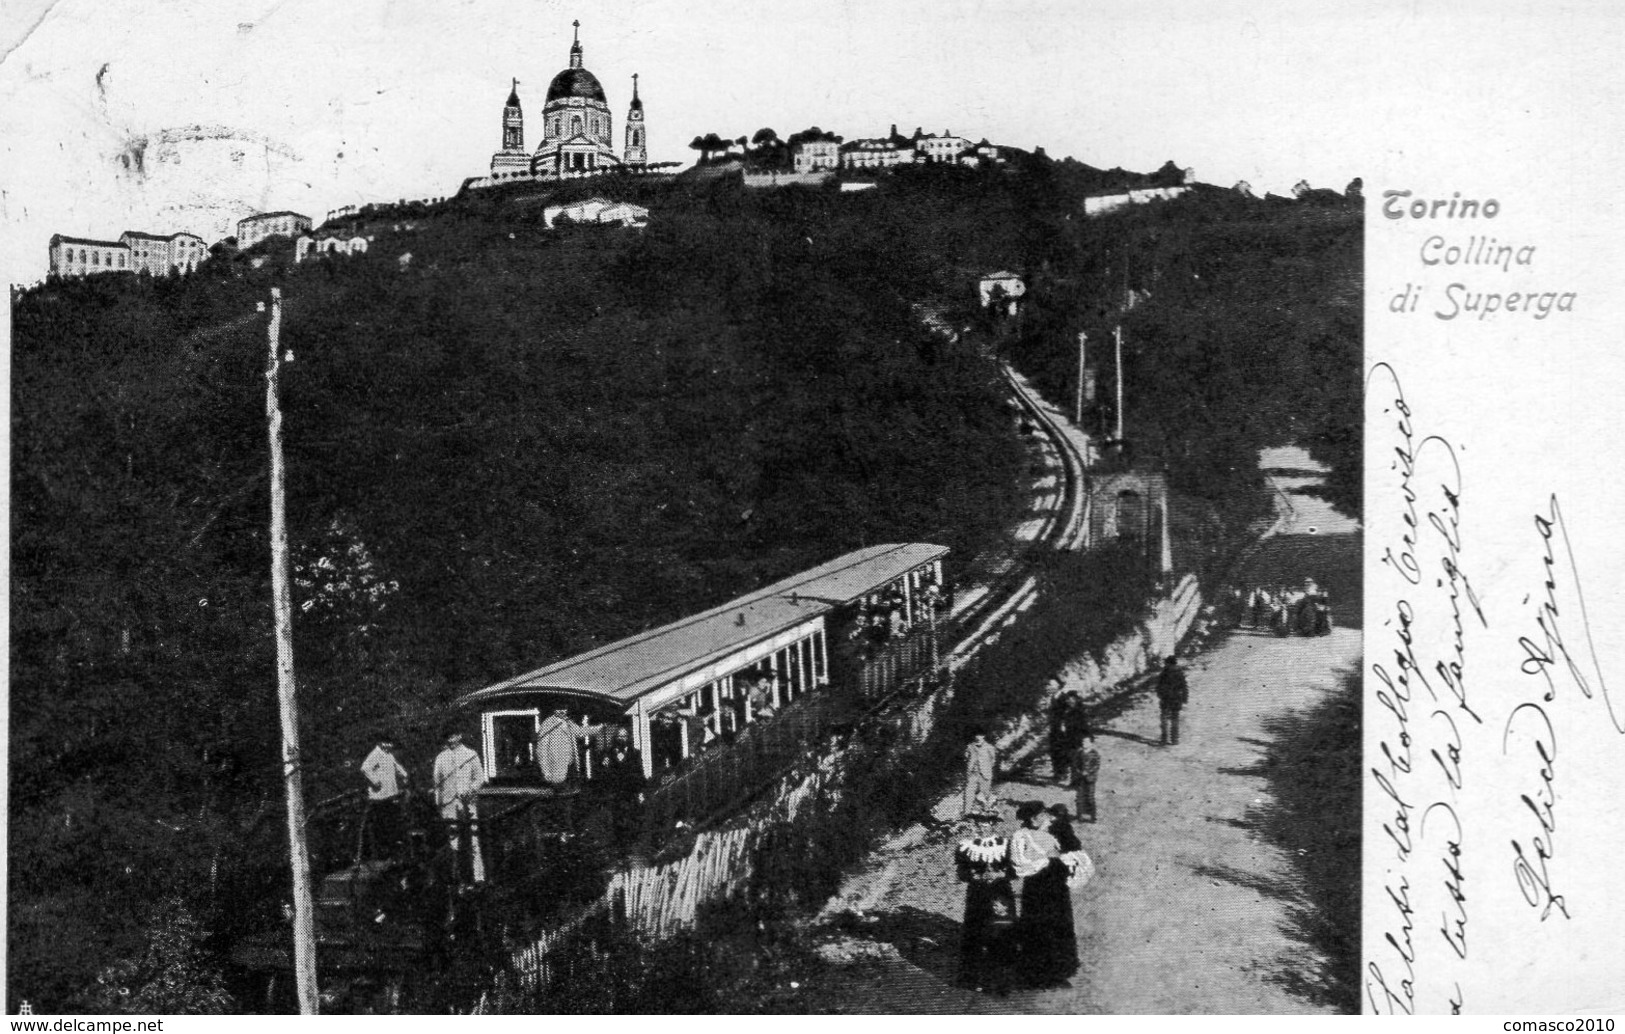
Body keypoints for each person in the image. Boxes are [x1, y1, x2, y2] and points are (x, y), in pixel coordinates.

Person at [1009, 801, 1079, 988]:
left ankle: (1059, 972)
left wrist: (1064, 858)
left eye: (1042, 815)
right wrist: (1045, 860)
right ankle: (1035, 974)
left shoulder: (1056, 829)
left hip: (1057, 885)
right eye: (1034, 817)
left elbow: (1074, 851)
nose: (1042, 818)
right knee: (1037, 926)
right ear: (1029, 820)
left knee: (1058, 923)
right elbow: (1019, 865)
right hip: (1036, 887)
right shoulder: (1020, 836)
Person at [955, 814, 1015, 993]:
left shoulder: (1005, 845)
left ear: (993, 824)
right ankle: (973, 978)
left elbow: (1016, 869)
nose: (981, 826)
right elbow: (961, 872)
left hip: (1000, 894)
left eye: (986, 822)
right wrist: (975, 876)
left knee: (1000, 931)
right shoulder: (966, 846)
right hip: (977, 894)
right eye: (978, 822)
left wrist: (1000, 875)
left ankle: (1000, 980)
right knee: (975, 933)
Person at [432, 731, 487, 885]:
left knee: (473, 839)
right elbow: (437, 784)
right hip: (449, 805)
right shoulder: (441, 757)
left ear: (460, 736)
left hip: (468, 803)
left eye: (453, 736)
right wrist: (439, 805)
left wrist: (471, 790)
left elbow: (479, 778)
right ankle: (456, 879)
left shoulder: (471, 754)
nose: (450, 740)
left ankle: (478, 878)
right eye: (447, 737)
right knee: (453, 842)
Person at [359, 733, 409, 858]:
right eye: (385, 743)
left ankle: (393, 847)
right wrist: (375, 781)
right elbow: (365, 768)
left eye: (390, 743)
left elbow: (396, 766)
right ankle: (383, 850)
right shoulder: (375, 754)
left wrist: (403, 774)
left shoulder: (389, 754)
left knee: (392, 820)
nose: (388, 746)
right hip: (379, 796)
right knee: (382, 823)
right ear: (380, 743)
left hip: (390, 793)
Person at [598, 727, 647, 844]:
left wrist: (641, 792)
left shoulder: (635, 753)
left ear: (628, 738)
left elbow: (640, 773)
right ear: (615, 738)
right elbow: (602, 775)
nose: (622, 739)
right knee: (617, 818)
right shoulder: (608, 753)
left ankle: (632, 842)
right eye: (619, 736)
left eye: (624, 736)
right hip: (615, 792)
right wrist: (604, 765)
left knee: (631, 816)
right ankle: (619, 843)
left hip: (630, 791)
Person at [535, 708, 591, 786]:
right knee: (557, 787)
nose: (562, 711)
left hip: (569, 763)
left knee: (570, 788)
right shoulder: (548, 723)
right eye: (558, 709)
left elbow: (579, 732)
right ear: (554, 710)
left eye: (564, 709)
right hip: (555, 763)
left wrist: (598, 729)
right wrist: (545, 771)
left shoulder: (568, 721)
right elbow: (542, 749)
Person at [963, 729, 998, 818]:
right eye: (976, 735)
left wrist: (986, 767)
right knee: (969, 792)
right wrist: (971, 767)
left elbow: (993, 760)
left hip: (985, 773)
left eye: (980, 735)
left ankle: (986, 813)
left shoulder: (989, 747)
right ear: (974, 736)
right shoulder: (970, 746)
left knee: (985, 793)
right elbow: (966, 758)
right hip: (973, 773)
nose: (978, 737)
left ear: (984, 736)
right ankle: (967, 813)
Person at [1156, 656, 1189, 746]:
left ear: (1168, 663)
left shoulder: (1164, 673)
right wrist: (1185, 699)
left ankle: (1164, 739)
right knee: (1175, 718)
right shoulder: (1180, 672)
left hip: (1166, 699)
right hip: (1176, 698)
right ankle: (1174, 739)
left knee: (1164, 719)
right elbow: (1184, 686)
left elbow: (1158, 686)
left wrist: (1160, 695)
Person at [1071, 734, 1101, 822]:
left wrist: (1088, 772)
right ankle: (1079, 816)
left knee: (1090, 797)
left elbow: (1096, 765)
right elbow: (1075, 764)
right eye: (1083, 741)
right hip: (1080, 779)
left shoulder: (1094, 754)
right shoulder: (1079, 753)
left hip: (1090, 778)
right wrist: (1079, 772)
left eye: (1086, 742)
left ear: (1091, 743)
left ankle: (1092, 817)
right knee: (1079, 797)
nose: (1084, 743)